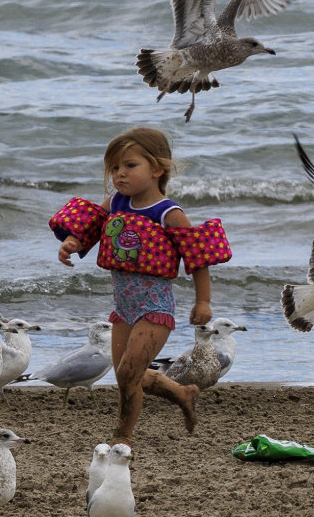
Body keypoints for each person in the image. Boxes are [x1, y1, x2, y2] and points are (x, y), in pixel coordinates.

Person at [52, 126, 231, 445]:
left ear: (157, 169)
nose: (120, 174)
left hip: (154, 310)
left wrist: (203, 302)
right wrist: (71, 242)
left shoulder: (169, 214)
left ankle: (123, 437)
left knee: (130, 374)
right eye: (115, 168)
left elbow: (198, 259)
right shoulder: (116, 203)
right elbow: (88, 228)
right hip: (123, 309)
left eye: (129, 166)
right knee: (125, 376)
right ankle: (182, 393)